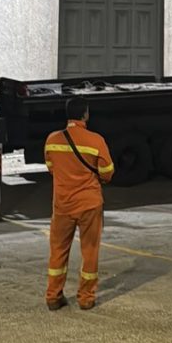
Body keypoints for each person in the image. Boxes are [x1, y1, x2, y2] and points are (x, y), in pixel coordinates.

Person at [44, 99, 115, 311]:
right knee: (90, 251)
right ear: (86, 115)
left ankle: (53, 296)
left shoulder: (52, 140)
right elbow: (107, 172)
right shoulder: (96, 141)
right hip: (89, 204)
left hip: (62, 205)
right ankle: (86, 298)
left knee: (58, 251)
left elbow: (51, 167)